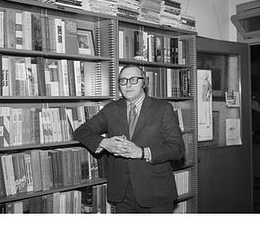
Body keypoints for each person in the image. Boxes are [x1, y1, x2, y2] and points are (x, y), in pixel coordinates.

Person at [74, 64, 186, 213]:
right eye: (123, 81)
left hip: (155, 192)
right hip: (122, 193)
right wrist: (104, 143)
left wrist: (141, 152)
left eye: (134, 80)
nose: (128, 85)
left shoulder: (163, 108)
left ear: (144, 83)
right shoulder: (111, 110)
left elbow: (177, 149)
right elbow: (81, 131)